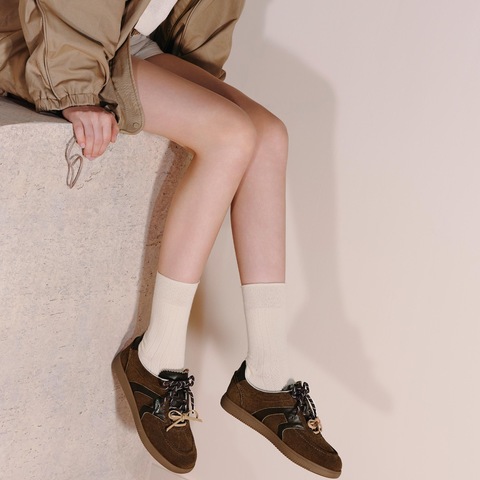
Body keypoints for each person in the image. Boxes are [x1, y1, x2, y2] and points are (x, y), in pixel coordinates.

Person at [0, 0, 342, 477]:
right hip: (40, 37)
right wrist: (74, 88)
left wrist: (194, 86)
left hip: (123, 43)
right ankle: (156, 359)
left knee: (269, 136)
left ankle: (267, 373)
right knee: (229, 136)